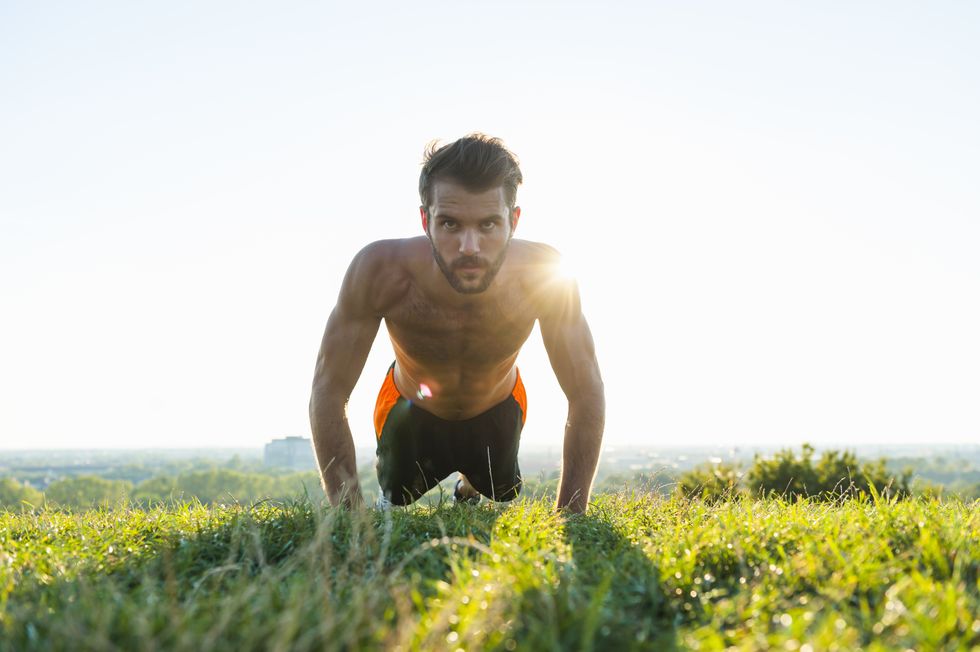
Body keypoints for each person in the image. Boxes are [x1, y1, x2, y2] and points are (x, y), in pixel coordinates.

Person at [309, 134, 604, 513]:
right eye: (449, 224)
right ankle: (396, 483)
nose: (469, 247)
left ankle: (470, 485)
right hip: (411, 405)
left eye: (488, 225)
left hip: (497, 406)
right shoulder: (380, 270)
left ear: (513, 221)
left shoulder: (545, 276)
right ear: (425, 219)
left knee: (501, 490)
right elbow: (328, 389)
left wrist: (571, 517)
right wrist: (348, 514)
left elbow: (587, 392)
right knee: (397, 495)